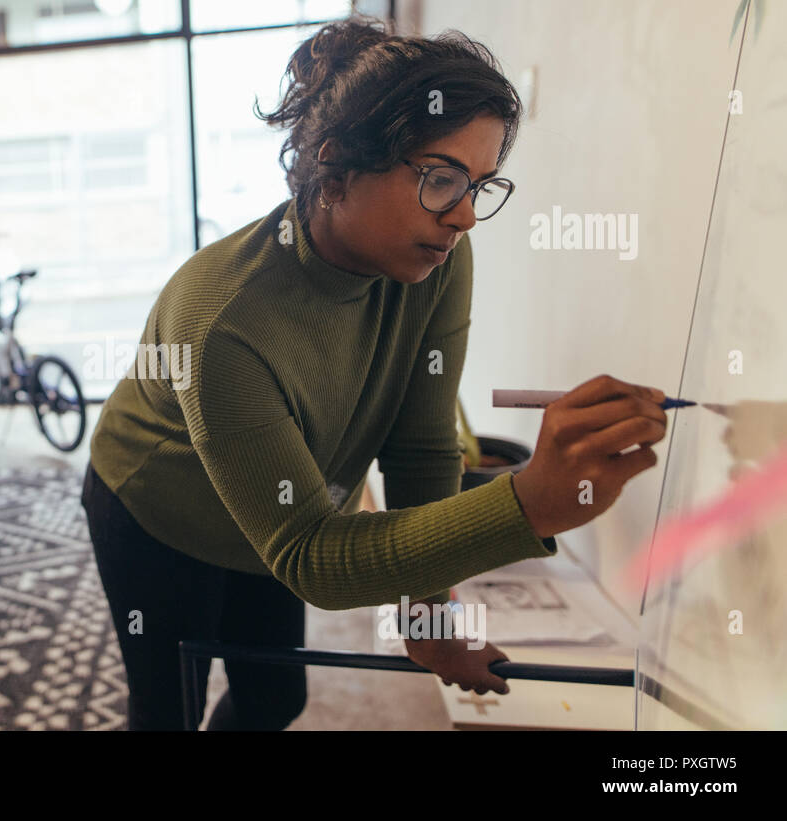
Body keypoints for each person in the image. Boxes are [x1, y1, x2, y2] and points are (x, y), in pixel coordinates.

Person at [81, 15, 669, 731]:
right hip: (158, 510)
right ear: (336, 166)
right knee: (166, 711)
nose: (465, 216)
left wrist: (429, 616)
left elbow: (421, 443)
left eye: (479, 185)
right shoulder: (223, 319)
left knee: (275, 697)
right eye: (440, 177)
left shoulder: (435, 254)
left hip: (280, 504)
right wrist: (526, 505)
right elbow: (308, 553)